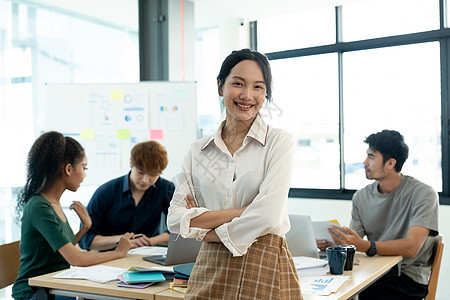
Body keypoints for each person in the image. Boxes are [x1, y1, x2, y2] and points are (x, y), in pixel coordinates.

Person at [167, 49, 302, 299]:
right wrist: (242, 212)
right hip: (209, 265)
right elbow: (174, 219)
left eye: (258, 87)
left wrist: (205, 228)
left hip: (265, 263)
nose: (247, 95)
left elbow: (269, 217)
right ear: (221, 86)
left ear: (266, 93)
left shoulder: (278, 142)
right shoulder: (199, 151)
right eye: (238, 83)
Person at [12, 131, 133, 300]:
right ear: (69, 169)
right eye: (84, 168)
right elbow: (76, 258)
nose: (84, 175)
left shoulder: (53, 203)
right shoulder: (39, 206)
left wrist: (85, 228)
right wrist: (119, 252)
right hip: (35, 292)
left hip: (55, 286)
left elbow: (60, 248)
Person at [329, 130, 439, 300]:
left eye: (371, 157)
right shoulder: (361, 197)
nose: (364, 162)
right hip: (373, 273)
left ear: (390, 163)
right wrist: (334, 243)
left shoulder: (424, 194)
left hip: (407, 278)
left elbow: (412, 247)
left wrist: (367, 246)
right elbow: (355, 242)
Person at [79, 140, 175, 251]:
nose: (145, 180)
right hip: (110, 259)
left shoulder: (166, 189)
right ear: (131, 163)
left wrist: (150, 241)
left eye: (153, 175)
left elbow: (180, 229)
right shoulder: (105, 192)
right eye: (140, 172)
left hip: (148, 255)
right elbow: (86, 240)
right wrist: (125, 240)